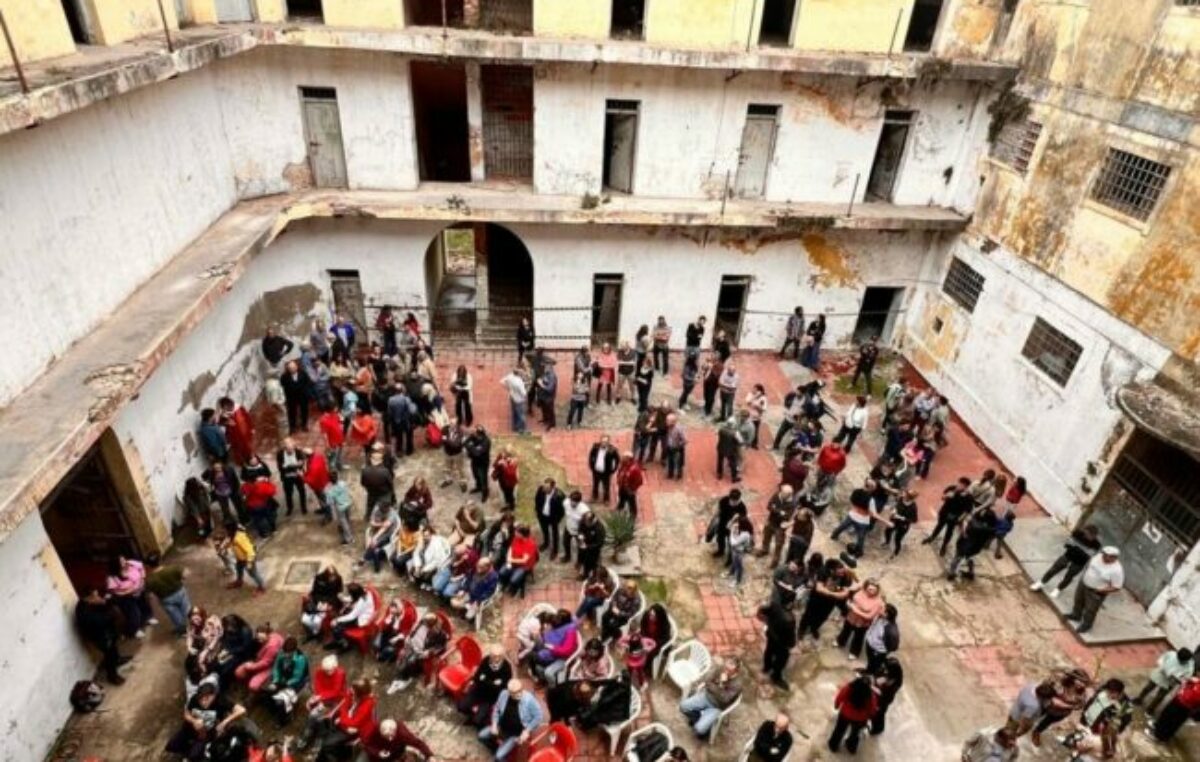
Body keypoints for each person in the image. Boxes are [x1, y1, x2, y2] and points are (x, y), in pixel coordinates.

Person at [165, 683, 252, 761]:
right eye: (201, 699)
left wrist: (224, 722)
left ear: (213, 696)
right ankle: (187, 749)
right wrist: (193, 721)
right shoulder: (194, 699)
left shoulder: (220, 701)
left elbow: (241, 710)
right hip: (189, 729)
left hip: (206, 734)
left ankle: (193, 754)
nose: (203, 702)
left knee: (192, 756)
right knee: (170, 746)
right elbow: (186, 713)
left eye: (207, 699)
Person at [479, 679, 545, 761]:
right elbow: (497, 709)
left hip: (515, 734)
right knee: (481, 736)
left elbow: (538, 716)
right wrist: (495, 724)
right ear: (509, 692)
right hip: (501, 727)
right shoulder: (503, 694)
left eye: (520, 691)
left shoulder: (529, 699)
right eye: (515, 693)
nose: (518, 695)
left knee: (499, 757)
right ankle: (496, 748)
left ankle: (500, 753)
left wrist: (527, 730)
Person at [1030, 524, 1102, 597]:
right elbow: (1068, 544)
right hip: (1067, 556)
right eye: (1087, 534)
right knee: (1053, 569)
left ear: (1095, 535)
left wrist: (1076, 547)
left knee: (1069, 577)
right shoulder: (1077, 534)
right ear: (1085, 531)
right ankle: (1041, 582)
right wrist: (1081, 550)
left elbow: (1088, 555)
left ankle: (1058, 589)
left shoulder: (1097, 545)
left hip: (1079, 563)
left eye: (1091, 536)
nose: (1089, 537)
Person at [315, 678, 377, 761]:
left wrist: (342, 719)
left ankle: (328, 757)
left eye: (353, 689)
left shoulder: (368, 704)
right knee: (322, 724)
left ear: (360, 693)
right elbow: (344, 706)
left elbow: (354, 723)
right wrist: (343, 718)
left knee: (326, 745)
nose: (350, 689)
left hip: (353, 730)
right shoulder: (351, 693)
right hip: (345, 725)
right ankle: (324, 757)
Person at [75, 588, 128, 685]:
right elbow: (97, 622)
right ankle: (112, 676)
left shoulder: (92, 604)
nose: (98, 597)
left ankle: (118, 660)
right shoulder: (83, 611)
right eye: (95, 596)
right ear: (88, 598)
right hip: (99, 636)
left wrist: (106, 603)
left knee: (114, 649)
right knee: (110, 654)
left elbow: (108, 606)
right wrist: (109, 614)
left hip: (106, 632)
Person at [1067, 547, 1124, 634]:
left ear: (1114, 557)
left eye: (1106, 556)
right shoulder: (1098, 556)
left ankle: (1086, 625)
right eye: (1104, 554)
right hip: (1084, 584)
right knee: (1078, 600)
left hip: (1096, 592)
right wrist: (1084, 576)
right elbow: (1089, 564)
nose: (1103, 556)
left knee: (1090, 610)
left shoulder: (1117, 570)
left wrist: (1101, 591)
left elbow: (1117, 586)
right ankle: (1076, 615)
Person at [679, 658, 742, 739]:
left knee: (699, 730)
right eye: (725, 667)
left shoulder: (737, 684)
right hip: (706, 697)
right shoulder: (720, 669)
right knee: (683, 706)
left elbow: (724, 699)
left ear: (736, 672)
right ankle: (698, 717)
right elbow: (707, 680)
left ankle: (705, 727)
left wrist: (722, 683)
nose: (725, 671)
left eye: (729, 670)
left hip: (717, 707)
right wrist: (717, 689)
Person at [799, 557, 855, 641]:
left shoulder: (845, 575)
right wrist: (835, 594)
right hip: (816, 598)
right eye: (839, 573)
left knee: (822, 616)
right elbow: (819, 588)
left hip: (830, 602)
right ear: (833, 570)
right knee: (809, 614)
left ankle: (814, 628)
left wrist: (836, 594)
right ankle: (801, 629)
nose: (842, 575)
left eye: (843, 572)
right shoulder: (823, 571)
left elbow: (845, 592)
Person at [831, 481, 892, 558]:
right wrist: (886, 522)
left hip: (852, 515)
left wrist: (856, 508)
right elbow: (874, 514)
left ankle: (834, 536)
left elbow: (852, 501)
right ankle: (859, 552)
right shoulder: (871, 500)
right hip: (863, 520)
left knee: (842, 526)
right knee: (861, 538)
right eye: (874, 487)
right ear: (871, 488)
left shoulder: (856, 491)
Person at [458, 644, 514, 727]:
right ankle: (471, 715)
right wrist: (493, 683)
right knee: (461, 707)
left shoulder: (507, 667)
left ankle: (475, 718)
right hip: (478, 691)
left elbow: (503, 688)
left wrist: (484, 680)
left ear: (502, 656)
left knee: (478, 720)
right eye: (494, 656)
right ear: (491, 655)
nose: (496, 658)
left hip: (491, 697)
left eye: (499, 656)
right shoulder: (485, 660)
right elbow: (477, 677)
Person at [922, 478, 974, 556]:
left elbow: (968, 510)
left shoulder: (969, 497)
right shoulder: (951, 488)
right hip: (944, 512)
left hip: (954, 516)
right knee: (939, 526)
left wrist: (960, 518)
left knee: (949, 531)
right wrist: (946, 496)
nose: (958, 486)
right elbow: (943, 497)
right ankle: (932, 537)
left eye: (961, 485)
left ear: (965, 487)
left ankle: (944, 545)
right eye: (959, 483)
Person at [1134, 647, 1195, 713]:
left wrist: (1177, 678)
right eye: (1179, 659)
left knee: (1160, 696)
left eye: (1182, 661)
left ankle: (1151, 709)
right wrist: (1162, 666)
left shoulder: (1189, 665)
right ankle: (1139, 698)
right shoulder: (1171, 654)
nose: (1180, 661)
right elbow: (1161, 659)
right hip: (1160, 674)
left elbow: (1186, 677)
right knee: (1148, 687)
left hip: (1171, 681)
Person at [829, 674, 878, 755]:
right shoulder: (870, 695)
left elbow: (841, 695)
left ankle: (833, 745)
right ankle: (851, 747)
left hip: (845, 714)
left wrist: (837, 705)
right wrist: (869, 716)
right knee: (855, 733)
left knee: (839, 730)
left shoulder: (849, 687)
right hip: (860, 718)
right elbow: (872, 708)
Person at [947, 505, 999, 581]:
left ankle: (951, 574)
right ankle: (971, 573)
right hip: (976, 548)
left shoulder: (976, 525)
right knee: (969, 558)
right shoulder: (991, 529)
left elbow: (972, 520)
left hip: (965, 544)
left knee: (957, 557)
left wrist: (971, 516)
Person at [144, 552, 191, 637]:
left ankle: (183, 631)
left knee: (175, 616)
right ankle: (194, 626)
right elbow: (186, 573)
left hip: (166, 599)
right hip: (180, 592)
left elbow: (150, 594)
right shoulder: (172, 569)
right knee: (187, 610)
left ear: (148, 566)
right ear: (160, 560)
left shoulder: (150, 580)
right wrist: (182, 579)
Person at [837, 580, 886, 660]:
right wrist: (849, 604)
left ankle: (854, 652)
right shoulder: (860, 592)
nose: (870, 591)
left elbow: (869, 616)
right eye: (869, 589)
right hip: (851, 618)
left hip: (862, 623)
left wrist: (854, 609)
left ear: (877, 591)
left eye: (873, 590)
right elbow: (852, 600)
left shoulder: (878, 602)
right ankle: (840, 641)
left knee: (858, 637)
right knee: (845, 631)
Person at [1148, 674, 1200, 743]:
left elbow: (1194, 697)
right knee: (1166, 714)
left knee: (1172, 721)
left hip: (1185, 705)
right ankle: (1157, 726)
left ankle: (1159, 736)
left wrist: (1188, 688)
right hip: (1180, 699)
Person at [359, 718, 432, 762]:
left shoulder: (403, 734)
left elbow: (417, 743)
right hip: (378, 756)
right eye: (386, 737)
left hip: (396, 752)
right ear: (380, 732)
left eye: (392, 736)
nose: (390, 739)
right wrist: (378, 753)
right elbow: (367, 745)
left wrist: (429, 755)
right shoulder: (374, 730)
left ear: (395, 731)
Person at [761, 598, 797, 689]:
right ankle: (775, 676)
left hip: (771, 634)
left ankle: (766, 667)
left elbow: (763, 612)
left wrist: (768, 625)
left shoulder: (774, 605)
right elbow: (791, 638)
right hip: (782, 642)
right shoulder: (790, 619)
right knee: (781, 660)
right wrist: (792, 645)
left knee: (769, 651)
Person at [301, 565, 343, 640]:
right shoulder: (319, 578)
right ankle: (314, 630)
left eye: (334, 575)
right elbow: (315, 591)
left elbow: (338, 590)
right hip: (319, 598)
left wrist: (329, 602)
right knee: (311, 614)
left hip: (331, 599)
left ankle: (319, 631)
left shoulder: (338, 578)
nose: (333, 578)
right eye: (331, 576)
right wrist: (320, 601)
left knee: (324, 614)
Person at [759, 485, 797, 568]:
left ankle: (775, 562)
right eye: (781, 492)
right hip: (771, 521)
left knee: (778, 544)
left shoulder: (793, 503)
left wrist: (775, 509)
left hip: (780, 527)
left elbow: (787, 516)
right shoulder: (777, 495)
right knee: (766, 537)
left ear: (789, 495)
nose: (780, 494)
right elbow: (769, 506)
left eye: (783, 493)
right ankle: (764, 550)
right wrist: (780, 512)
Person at [716, 409, 754, 483]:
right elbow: (740, 441)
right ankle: (734, 477)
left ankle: (719, 474)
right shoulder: (735, 433)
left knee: (720, 461)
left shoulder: (721, 429)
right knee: (733, 462)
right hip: (730, 449)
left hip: (720, 447)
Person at [500, 525, 539, 597]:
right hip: (513, 561)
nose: (515, 533)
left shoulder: (530, 544)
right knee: (502, 572)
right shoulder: (516, 538)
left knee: (514, 580)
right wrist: (508, 558)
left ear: (522, 534)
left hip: (524, 566)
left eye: (517, 532)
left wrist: (511, 560)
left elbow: (524, 560)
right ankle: (505, 584)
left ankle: (515, 588)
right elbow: (511, 548)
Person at [864, 604, 900, 674]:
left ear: (886, 615)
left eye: (882, 610)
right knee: (870, 661)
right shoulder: (879, 617)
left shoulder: (891, 631)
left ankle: (870, 674)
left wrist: (882, 651)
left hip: (878, 650)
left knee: (874, 664)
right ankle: (868, 670)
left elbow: (893, 646)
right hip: (870, 642)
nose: (879, 610)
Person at [534, 478, 566, 560]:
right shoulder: (541, 490)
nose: (544, 489)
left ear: (553, 487)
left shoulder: (560, 496)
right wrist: (538, 512)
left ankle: (555, 550)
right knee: (544, 530)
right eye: (544, 487)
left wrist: (557, 519)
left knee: (555, 533)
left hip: (553, 518)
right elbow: (537, 501)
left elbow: (562, 511)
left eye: (547, 488)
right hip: (542, 516)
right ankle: (546, 543)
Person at [588, 435, 619, 504]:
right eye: (602, 441)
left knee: (606, 486)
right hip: (596, 470)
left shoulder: (612, 450)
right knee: (595, 484)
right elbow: (591, 456)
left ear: (608, 442)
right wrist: (591, 465)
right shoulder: (595, 447)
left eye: (605, 442)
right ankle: (594, 496)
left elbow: (617, 460)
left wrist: (613, 469)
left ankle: (606, 499)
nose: (603, 443)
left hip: (606, 472)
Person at [465, 425, 493, 501]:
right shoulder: (473, 437)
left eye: (475, 433)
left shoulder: (486, 441)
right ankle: (478, 487)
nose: (473, 434)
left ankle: (485, 493)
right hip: (474, 461)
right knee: (476, 476)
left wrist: (470, 447)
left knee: (483, 479)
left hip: (482, 464)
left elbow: (477, 453)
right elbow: (465, 442)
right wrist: (472, 447)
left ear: (479, 434)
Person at [576, 511, 607, 580]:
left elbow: (599, 543)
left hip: (593, 549)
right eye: (585, 522)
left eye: (587, 523)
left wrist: (587, 547)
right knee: (581, 556)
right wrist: (580, 535)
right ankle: (580, 564)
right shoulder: (583, 521)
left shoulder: (599, 528)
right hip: (583, 544)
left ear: (592, 521)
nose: (586, 524)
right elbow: (580, 529)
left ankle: (587, 575)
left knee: (590, 563)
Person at [561, 492, 589, 565]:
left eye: (575, 503)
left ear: (579, 502)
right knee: (565, 542)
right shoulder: (566, 503)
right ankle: (567, 556)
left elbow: (586, 523)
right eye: (571, 502)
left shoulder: (584, 510)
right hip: (568, 527)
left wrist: (583, 534)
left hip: (579, 531)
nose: (572, 504)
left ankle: (580, 561)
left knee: (581, 547)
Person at [616, 453, 645, 521]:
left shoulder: (635, 469)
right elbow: (619, 473)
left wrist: (633, 489)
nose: (622, 458)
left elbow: (639, 481)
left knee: (632, 503)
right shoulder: (623, 465)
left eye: (624, 457)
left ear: (628, 458)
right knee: (621, 499)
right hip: (622, 487)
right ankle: (620, 508)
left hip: (630, 490)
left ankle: (633, 515)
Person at [499, 366, 528, 434]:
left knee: (514, 413)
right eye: (521, 372)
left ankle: (514, 427)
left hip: (512, 397)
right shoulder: (518, 382)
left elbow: (502, 381)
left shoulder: (510, 376)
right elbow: (524, 393)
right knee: (521, 415)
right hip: (519, 399)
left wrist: (508, 388)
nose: (523, 373)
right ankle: (522, 429)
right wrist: (525, 387)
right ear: (518, 373)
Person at [536, 361, 558, 431]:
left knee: (550, 411)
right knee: (544, 409)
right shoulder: (545, 373)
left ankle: (552, 424)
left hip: (549, 398)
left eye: (545, 367)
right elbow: (542, 380)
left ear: (550, 368)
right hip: (543, 396)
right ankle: (545, 419)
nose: (544, 368)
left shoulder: (552, 376)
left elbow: (550, 389)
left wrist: (541, 384)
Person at [664, 413, 687, 480]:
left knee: (677, 462)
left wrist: (678, 445)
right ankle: (670, 474)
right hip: (670, 447)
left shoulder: (679, 429)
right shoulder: (668, 427)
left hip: (676, 449)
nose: (666, 421)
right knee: (670, 461)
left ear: (673, 422)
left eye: (668, 420)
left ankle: (678, 475)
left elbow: (685, 440)